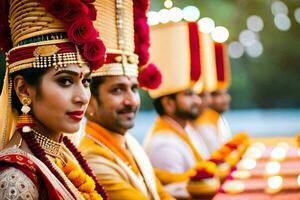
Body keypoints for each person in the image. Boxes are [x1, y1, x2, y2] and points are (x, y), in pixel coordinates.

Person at [0, 0, 108, 199]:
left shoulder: (63, 156)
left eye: (86, 81)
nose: (83, 97)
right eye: (65, 81)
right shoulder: (15, 179)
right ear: (24, 90)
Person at [78, 1, 174, 199]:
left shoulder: (129, 143)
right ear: (90, 103)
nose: (131, 101)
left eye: (134, 88)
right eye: (117, 90)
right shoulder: (92, 159)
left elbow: (162, 195)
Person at [143, 21, 211, 198]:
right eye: (188, 95)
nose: (197, 100)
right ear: (168, 103)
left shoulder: (185, 130)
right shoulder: (164, 143)